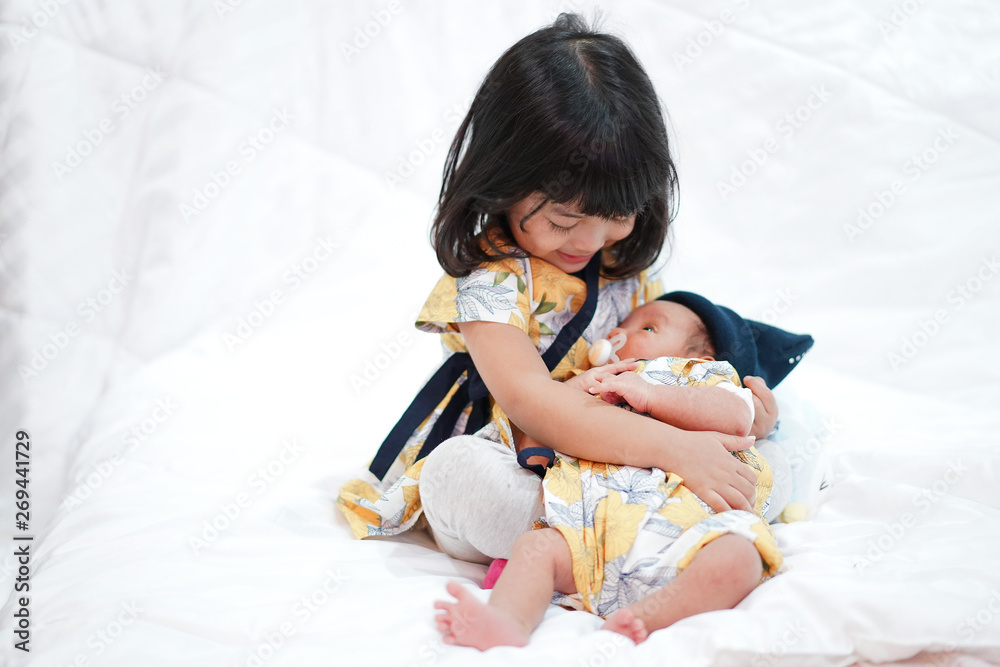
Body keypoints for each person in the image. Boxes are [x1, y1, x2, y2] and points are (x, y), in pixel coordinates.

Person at [338, 14, 774, 572]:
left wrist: (741, 416)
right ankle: (608, 537)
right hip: (524, 454)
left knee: (781, 434)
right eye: (566, 220)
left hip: (618, 458)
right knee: (461, 477)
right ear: (501, 180)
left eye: (617, 215)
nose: (591, 242)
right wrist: (674, 449)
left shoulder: (620, 264)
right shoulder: (491, 281)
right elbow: (533, 405)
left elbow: (667, 369)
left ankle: (622, 531)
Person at [433, 292, 814, 649]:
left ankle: (646, 618)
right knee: (536, 547)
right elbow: (546, 428)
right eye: (621, 327)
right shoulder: (603, 384)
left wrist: (654, 394)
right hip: (591, 538)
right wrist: (574, 391)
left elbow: (734, 418)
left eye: (647, 328)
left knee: (739, 556)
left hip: (688, 537)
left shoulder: (704, 379)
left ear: (705, 356)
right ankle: (506, 620)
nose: (618, 334)